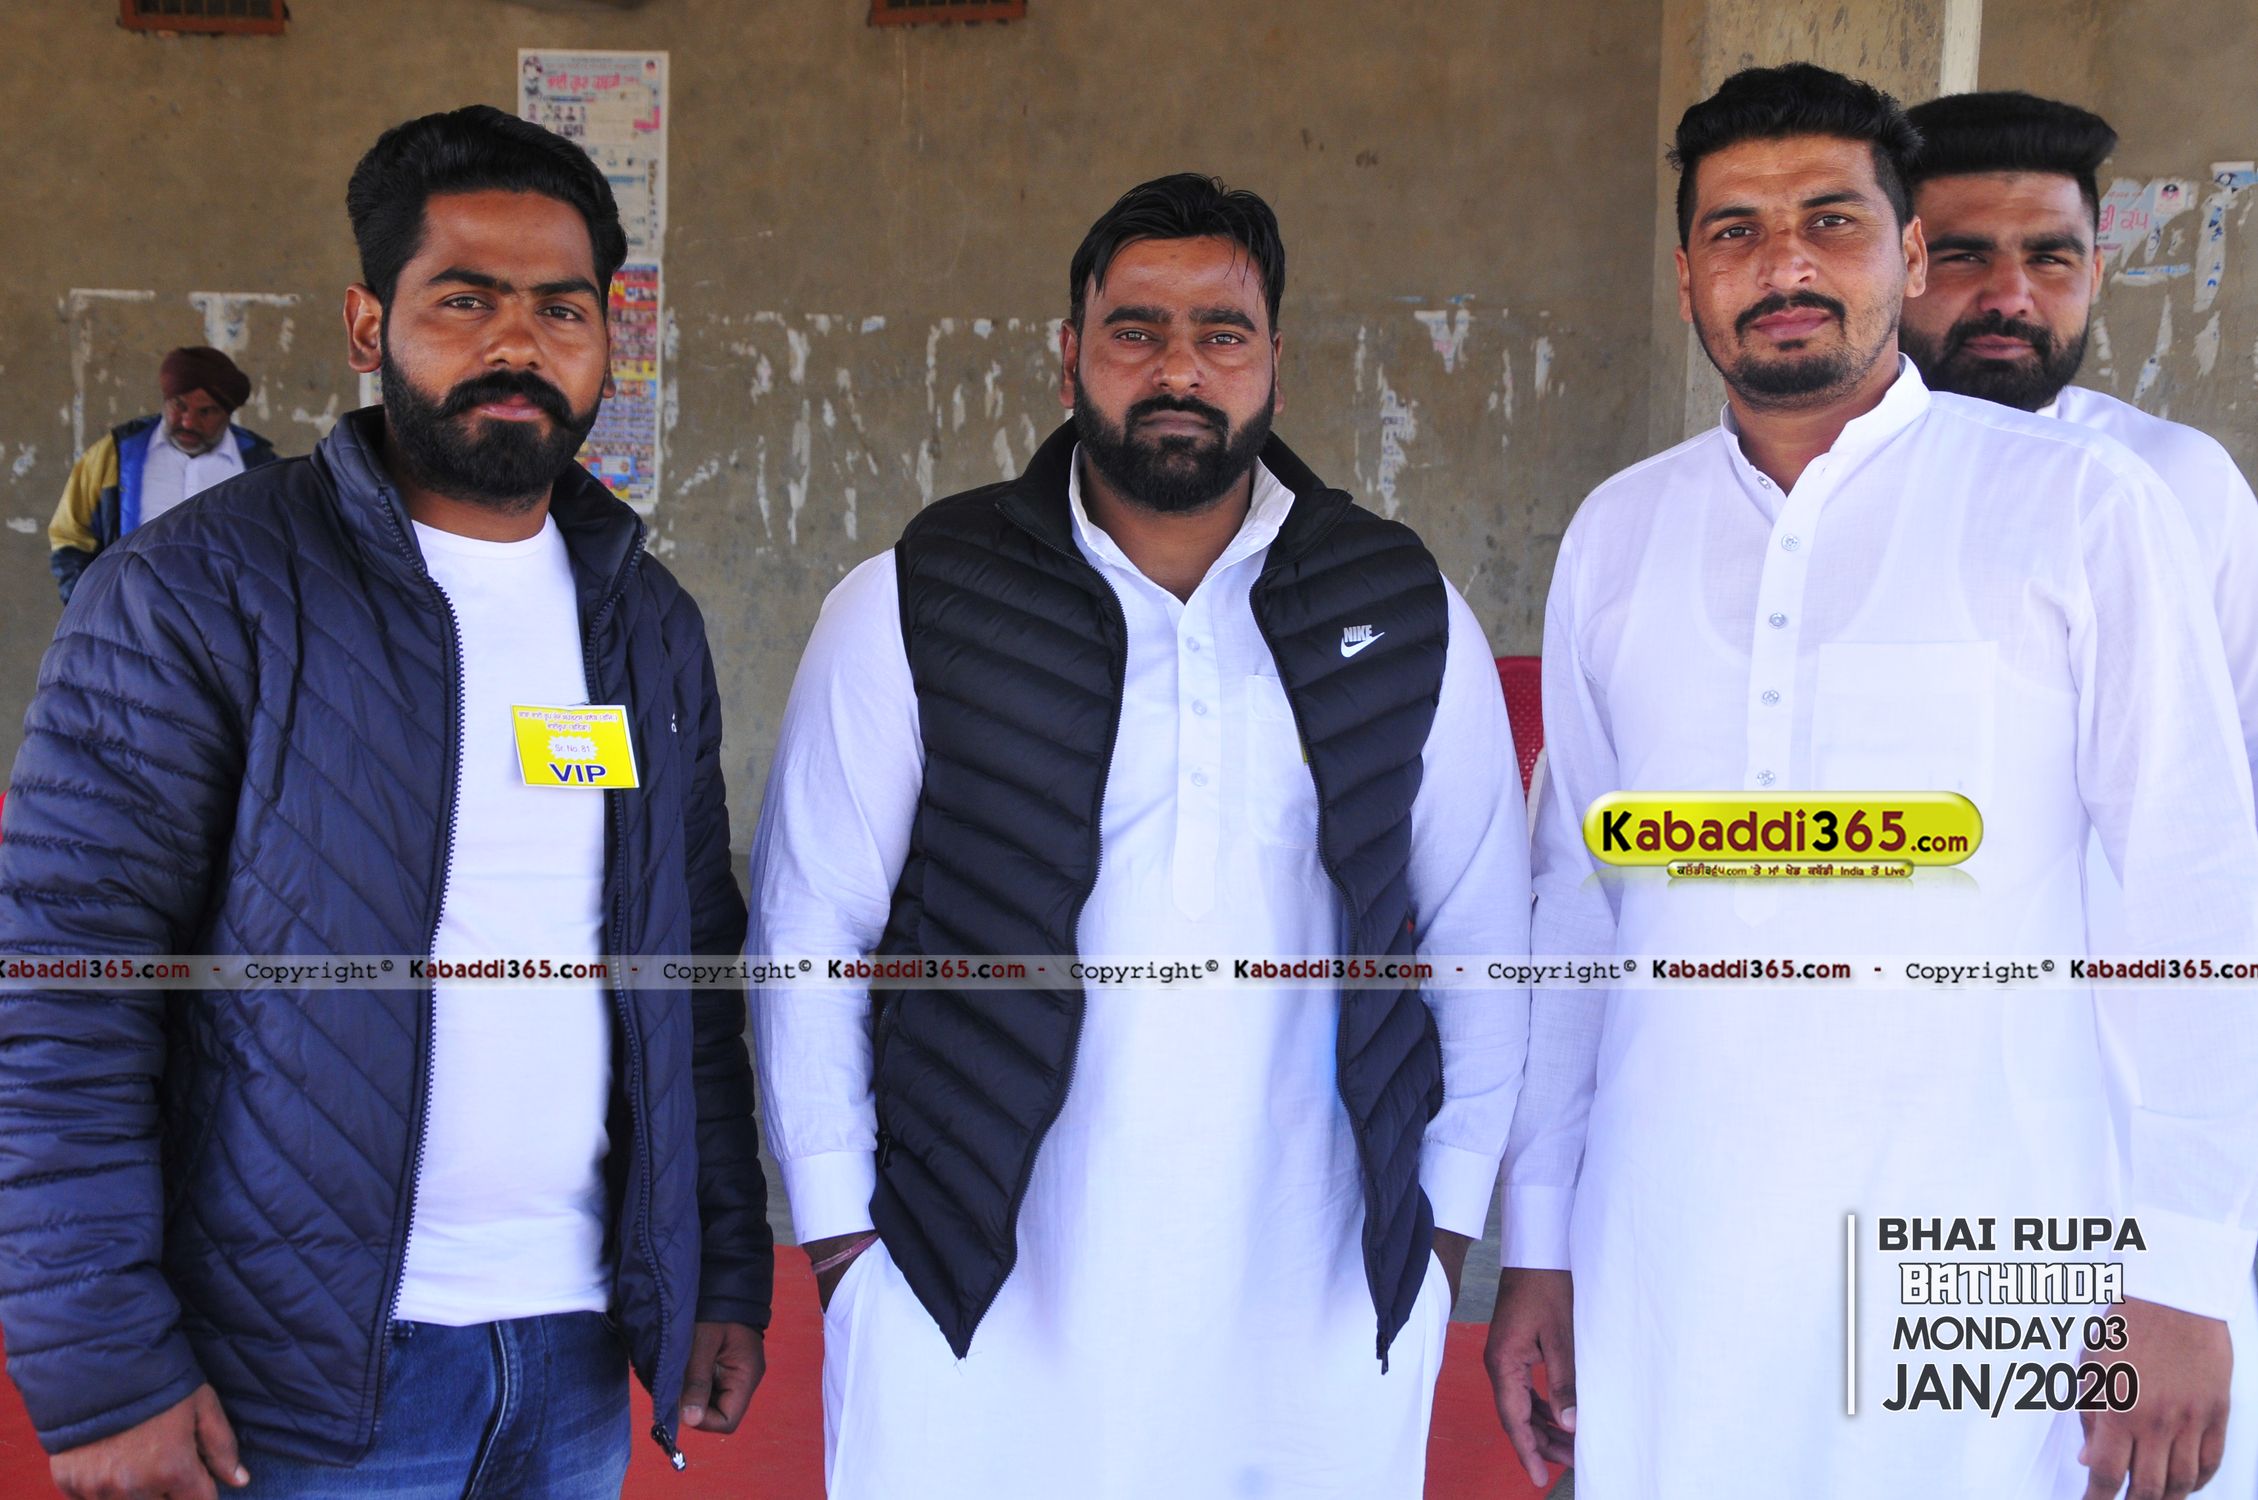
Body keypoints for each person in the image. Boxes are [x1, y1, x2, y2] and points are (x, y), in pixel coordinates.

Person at [1485, 64, 2258, 1500]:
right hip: (1673, 1242)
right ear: (1684, 276)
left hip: (1990, 1240)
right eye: (1734, 231)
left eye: (1829, 222)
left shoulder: (2081, 506)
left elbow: (2192, 889)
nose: (1782, 265)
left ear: (1904, 255)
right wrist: (1539, 1238)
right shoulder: (1618, 534)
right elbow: (1577, 906)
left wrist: (2185, 1264)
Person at [0, 105, 769, 1500]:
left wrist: (718, 1261)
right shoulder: (194, 594)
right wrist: (104, 1364)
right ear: (368, 326)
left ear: (609, 339)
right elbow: (64, 984)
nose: (517, 344)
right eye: (463, 301)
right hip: (292, 1388)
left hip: (573, 1363)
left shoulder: (645, 622)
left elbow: (689, 975)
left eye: (560, 309)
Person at [749, 173, 1530, 1498]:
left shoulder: (1404, 605)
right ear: (1069, 355)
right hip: (971, 1295)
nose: (1178, 368)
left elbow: (1480, 933)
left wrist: (1444, 1228)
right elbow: (811, 921)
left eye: (1221, 332)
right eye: (1135, 330)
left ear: (1274, 361)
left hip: (1317, 1301)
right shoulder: (915, 596)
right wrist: (839, 1242)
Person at [1902, 87, 2258, 1500]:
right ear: (1895, 261)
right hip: (1890, 1125)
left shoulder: (2175, 485)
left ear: (2094, 269)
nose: (2009, 295)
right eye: (1962, 255)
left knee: (2114, 1467)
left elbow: (2227, 838)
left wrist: (2192, 1232)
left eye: (2047, 256)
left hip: (2124, 1133)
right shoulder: (1798, 499)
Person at [46, 345, 279, 602]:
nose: (188, 422)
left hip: (229, 621)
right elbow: (70, 536)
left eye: (206, 411)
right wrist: (89, 605)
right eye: (179, 405)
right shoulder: (114, 455)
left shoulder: (262, 467)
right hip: (130, 616)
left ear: (227, 413)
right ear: (165, 401)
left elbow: (279, 552)